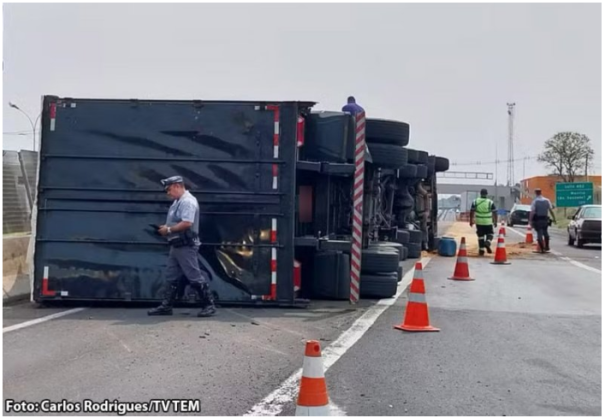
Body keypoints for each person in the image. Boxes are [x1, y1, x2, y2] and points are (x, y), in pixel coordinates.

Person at [148, 176, 216, 317]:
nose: (168, 193)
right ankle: (166, 306)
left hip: (186, 245)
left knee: (194, 275)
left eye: (169, 189)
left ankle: (209, 305)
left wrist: (168, 230)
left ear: (178, 186)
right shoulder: (177, 202)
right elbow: (177, 222)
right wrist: (165, 227)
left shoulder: (187, 202)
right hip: (177, 245)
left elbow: (187, 223)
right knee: (171, 275)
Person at [469, 189, 497, 256]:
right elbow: (495, 212)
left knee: (480, 236)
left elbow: (472, 211)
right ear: (487, 194)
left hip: (479, 222)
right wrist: (495, 221)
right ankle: (487, 242)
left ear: (480, 194)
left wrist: (471, 220)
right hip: (488, 222)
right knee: (490, 234)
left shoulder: (475, 201)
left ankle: (481, 251)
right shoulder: (490, 202)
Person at [529, 188, 557, 253]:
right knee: (545, 233)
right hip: (545, 220)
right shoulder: (547, 200)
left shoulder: (535, 201)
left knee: (539, 234)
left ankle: (542, 249)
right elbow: (550, 210)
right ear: (541, 192)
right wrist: (554, 219)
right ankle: (547, 246)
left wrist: (530, 221)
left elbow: (532, 212)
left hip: (538, 220)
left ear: (535, 193)